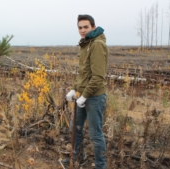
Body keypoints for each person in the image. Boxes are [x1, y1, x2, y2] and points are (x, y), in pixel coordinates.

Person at [64, 15, 109, 169]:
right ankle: (77, 158)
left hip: (94, 97)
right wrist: (74, 89)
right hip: (82, 96)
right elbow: (83, 73)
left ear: (93, 27)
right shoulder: (86, 44)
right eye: (80, 27)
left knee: (95, 134)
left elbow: (98, 77)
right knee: (75, 128)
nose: (82, 30)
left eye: (86, 27)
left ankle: (101, 166)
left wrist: (84, 95)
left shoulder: (97, 45)